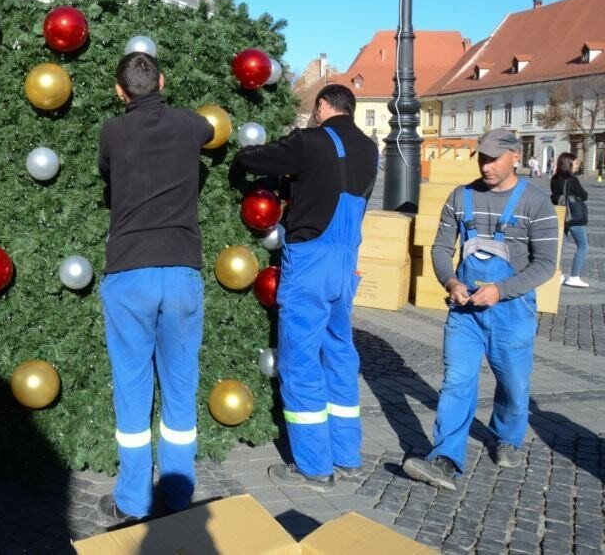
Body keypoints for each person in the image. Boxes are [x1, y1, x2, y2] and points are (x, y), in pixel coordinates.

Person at [231, 83, 378, 492]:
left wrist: (242, 156)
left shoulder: (311, 140)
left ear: (321, 106)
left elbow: (262, 157)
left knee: (300, 362)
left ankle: (313, 466)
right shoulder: (370, 149)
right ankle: (347, 455)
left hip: (311, 263)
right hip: (346, 263)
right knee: (340, 354)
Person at [403, 128, 558, 491]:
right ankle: (444, 458)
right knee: (457, 382)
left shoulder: (536, 204)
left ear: (515, 156)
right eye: (482, 158)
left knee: (514, 386)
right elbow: (441, 249)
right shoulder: (461, 197)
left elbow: (547, 264)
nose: (486, 166)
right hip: (465, 314)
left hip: (513, 312)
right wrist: (451, 282)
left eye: (494, 158)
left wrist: (501, 289)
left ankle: (506, 436)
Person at [96, 52, 214, 521]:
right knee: (181, 384)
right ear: (163, 80)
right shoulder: (189, 125)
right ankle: (179, 494)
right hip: (182, 269)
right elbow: (208, 130)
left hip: (129, 271)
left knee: (132, 385)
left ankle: (132, 499)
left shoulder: (112, 131)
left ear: (119, 92)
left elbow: (107, 173)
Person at [550, 152, 590, 288]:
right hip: (573, 217)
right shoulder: (572, 180)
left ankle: (558, 274)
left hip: (560, 214)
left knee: (560, 246)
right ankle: (574, 276)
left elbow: (554, 195)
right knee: (583, 246)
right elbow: (584, 196)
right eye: (576, 163)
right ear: (569, 164)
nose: (577, 165)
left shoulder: (554, 178)